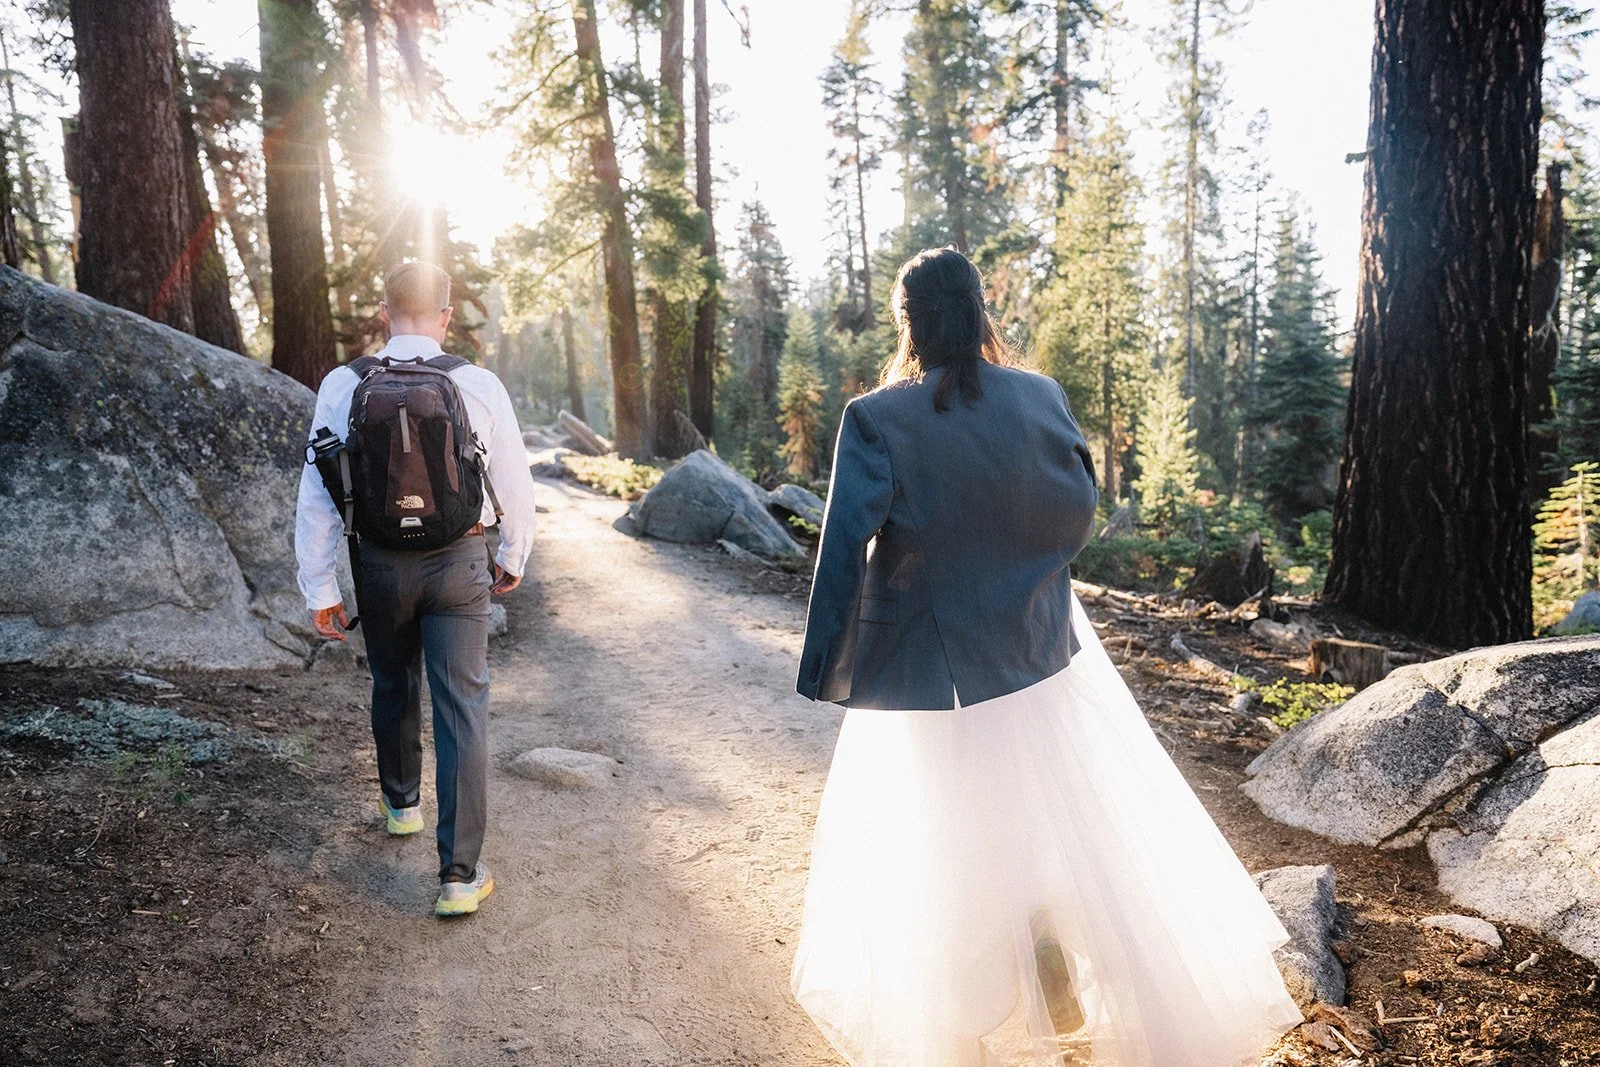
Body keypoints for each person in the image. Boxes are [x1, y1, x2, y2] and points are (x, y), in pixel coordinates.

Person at [790, 247, 1302, 1066]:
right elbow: (1078, 510)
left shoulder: (879, 417)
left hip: (934, 673)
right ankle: (1055, 985)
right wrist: (1026, 580)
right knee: (1044, 828)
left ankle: (952, 1029)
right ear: (981, 311)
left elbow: (844, 543)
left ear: (909, 323)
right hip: (1040, 651)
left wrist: (823, 667)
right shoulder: (1042, 396)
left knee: (940, 843)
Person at [294, 261, 536, 917]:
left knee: (392, 681)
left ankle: (401, 803)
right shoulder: (478, 383)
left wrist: (319, 585)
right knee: (462, 706)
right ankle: (459, 874)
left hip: (378, 562)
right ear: (446, 317)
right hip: (459, 562)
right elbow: (513, 480)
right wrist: (512, 554)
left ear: (383, 311)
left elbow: (318, 490)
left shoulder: (344, 383)